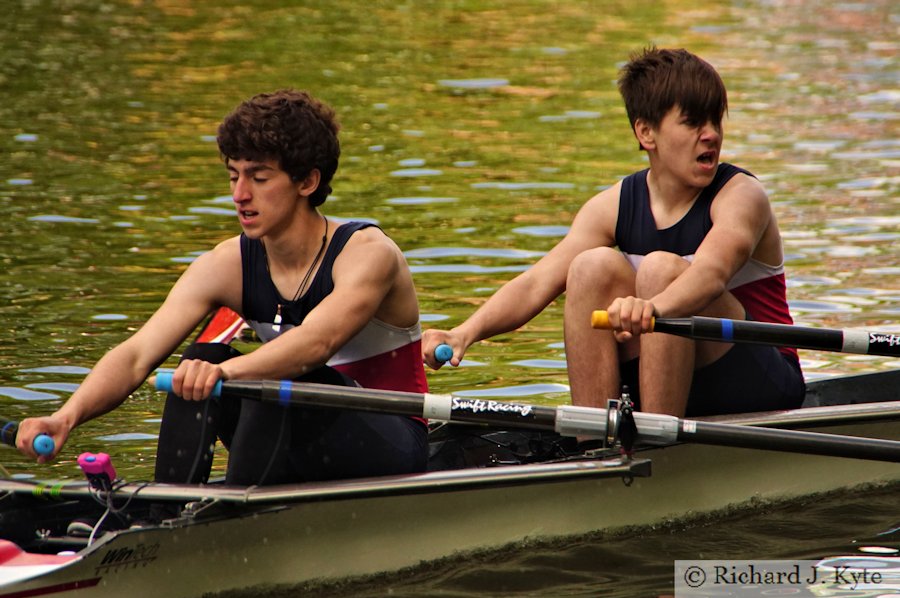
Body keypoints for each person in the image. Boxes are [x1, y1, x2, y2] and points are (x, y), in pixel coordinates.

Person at [17, 89, 429, 485]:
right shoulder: (226, 264)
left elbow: (315, 345)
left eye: (259, 177)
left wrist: (223, 372)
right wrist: (65, 417)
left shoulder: (367, 253)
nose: (239, 194)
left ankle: (232, 518)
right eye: (233, 176)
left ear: (307, 182)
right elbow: (136, 355)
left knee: (269, 380)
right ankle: (171, 510)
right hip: (296, 430)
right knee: (198, 358)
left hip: (391, 440)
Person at [424, 47, 805, 418]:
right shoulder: (613, 205)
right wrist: (465, 333)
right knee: (590, 267)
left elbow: (711, 273)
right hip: (668, 372)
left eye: (715, 121)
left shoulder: (741, 195)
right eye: (693, 122)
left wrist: (652, 308)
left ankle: (659, 451)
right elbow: (537, 281)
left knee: (660, 271)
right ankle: (595, 447)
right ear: (646, 133)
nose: (710, 135)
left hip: (760, 377)